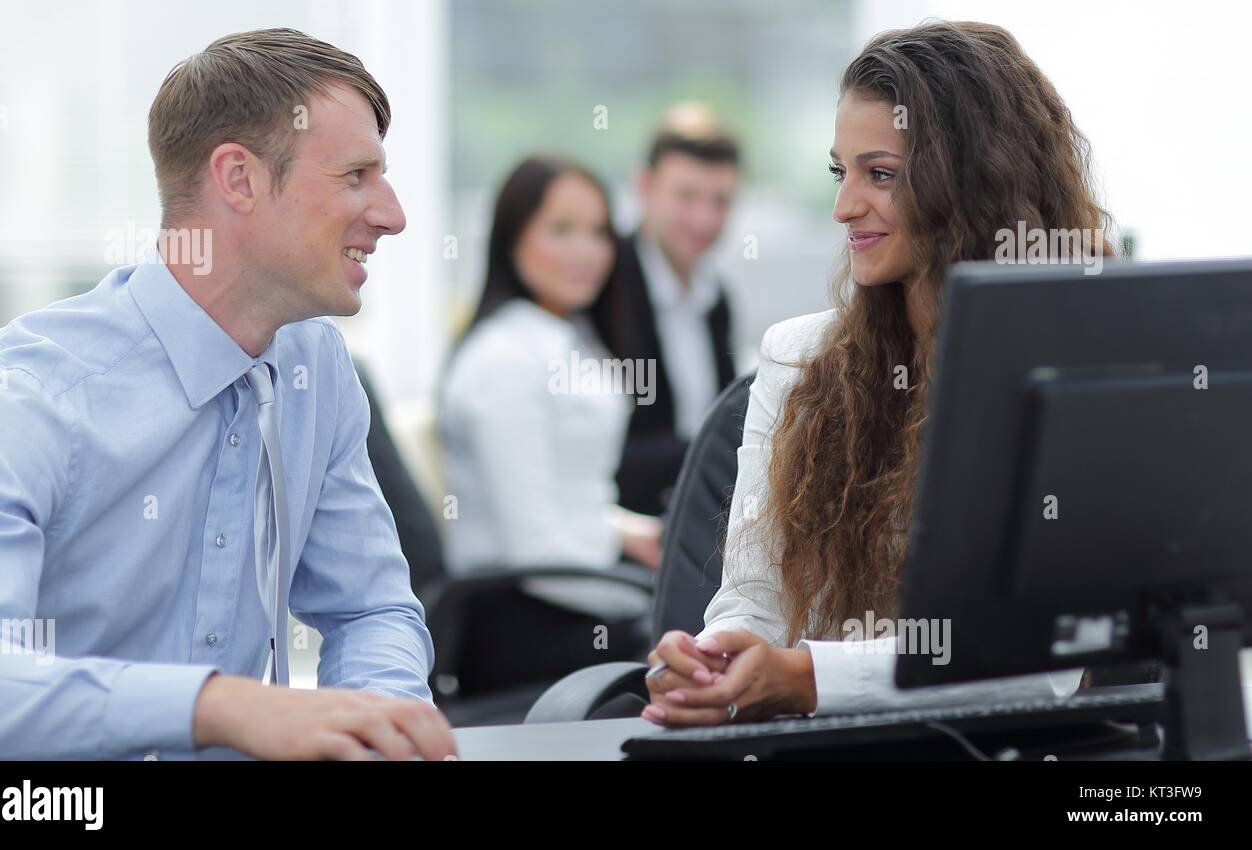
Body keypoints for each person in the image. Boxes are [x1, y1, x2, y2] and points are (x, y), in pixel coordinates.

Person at [0, 28, 455, 760]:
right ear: (239, 178)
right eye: (355, 176)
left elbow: (370, 607)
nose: (393, 214)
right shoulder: (22, 395)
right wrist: (219, 706)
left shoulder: (317, 370)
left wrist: (377, 730)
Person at [643, 21, 1113, 726]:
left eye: (880, 175)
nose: (844, 206)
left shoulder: (1057, 376)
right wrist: (714, 663)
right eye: (842, 171)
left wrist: (807, 678)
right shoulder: (797, 361)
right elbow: (753, 603)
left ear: (971, 183)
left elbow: (1040, 664)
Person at [440, 155, 661, 631]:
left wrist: (620, 527)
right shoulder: (507, 359)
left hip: (572, 591)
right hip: (526, 618)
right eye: (561, 230)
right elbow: (535, 550)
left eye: (598, 232)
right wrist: (647, 605)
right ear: (512, 237)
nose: (586, 251)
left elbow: (566, 490)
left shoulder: (568, 336)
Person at [589, 103, 741, 517]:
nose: (704, 218)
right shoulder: (600, 281)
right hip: (625, 523)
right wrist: (711, 455)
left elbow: (725, 419)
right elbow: (603, 449)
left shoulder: (715, 299)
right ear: (644, 186)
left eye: (721, 201)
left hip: (696, 511)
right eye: (687, 196)